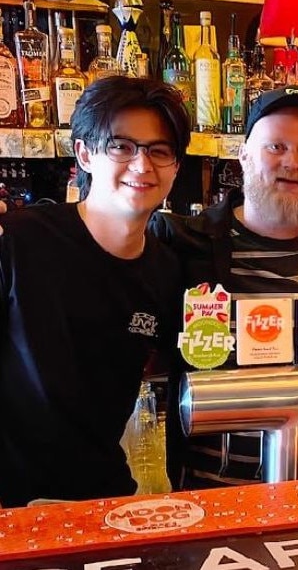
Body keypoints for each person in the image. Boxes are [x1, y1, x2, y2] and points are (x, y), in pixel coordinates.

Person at [0, 76, 191, 508]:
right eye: (121, 146)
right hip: (10, 505)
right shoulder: (19, 240)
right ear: (85, 154)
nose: (142, 166)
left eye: (159, 151)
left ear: (176, 166)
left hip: (100, 500)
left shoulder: (165, 270)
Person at [150, 85, 298, 488]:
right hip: (206, 491)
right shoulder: (185, 244)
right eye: (276, 146)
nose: (292, 161)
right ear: (242, 156)